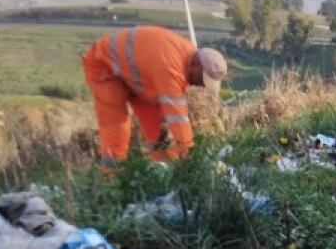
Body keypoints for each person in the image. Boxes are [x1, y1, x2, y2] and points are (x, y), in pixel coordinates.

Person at [81, 26, 227, 168]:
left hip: (137, 76)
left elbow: (170, 107)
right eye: (202, 79)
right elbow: (177, 116)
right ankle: (112, 177)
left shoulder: (187, 55)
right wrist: (189, 155)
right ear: (196, 64)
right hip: (104, 64)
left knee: (158, 131)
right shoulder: (170, 68)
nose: (201, 85)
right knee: (117, 126)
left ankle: (162, 168)